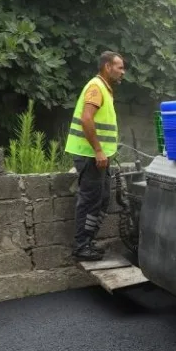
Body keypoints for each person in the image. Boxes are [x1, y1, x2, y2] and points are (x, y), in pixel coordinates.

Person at [65, 51, 125, 261]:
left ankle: (88, 242)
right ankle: (81, 246)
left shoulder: (104, 89)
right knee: (90, 200)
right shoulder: (96, 87)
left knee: (101, 199)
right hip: (90, 155)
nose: (123, 72)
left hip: (99, 156)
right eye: (119, 67)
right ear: (107, 67)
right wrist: (99, 150)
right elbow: (86, 119)